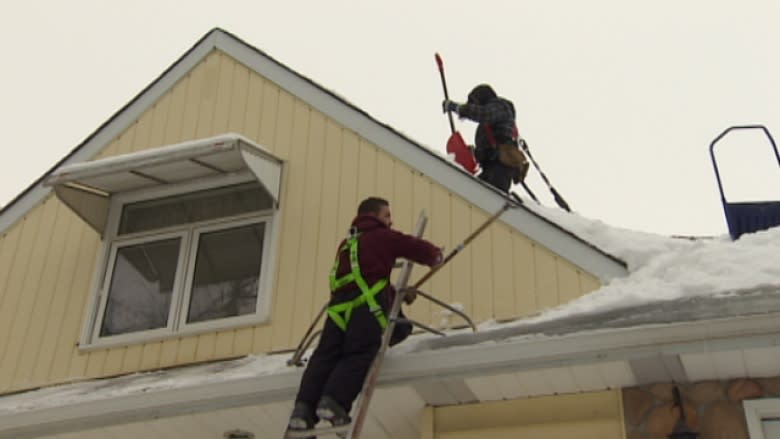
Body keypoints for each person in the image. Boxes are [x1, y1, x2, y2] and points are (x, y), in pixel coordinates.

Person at [288, 196, 443, 435]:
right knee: (359, 352)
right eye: (387, 216)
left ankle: (303, 410)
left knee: (325, 357)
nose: (391, 221)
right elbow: (412, 246)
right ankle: (334, 402)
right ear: (375, 216)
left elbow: (362, 278)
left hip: (338, 310)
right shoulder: (382, 236)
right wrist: (435, 256)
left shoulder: (347, 244)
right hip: (365, 308)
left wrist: (396, 294)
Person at [443, 84, 529, 192]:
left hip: (500, 170)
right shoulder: (487, 126)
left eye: (474, 103)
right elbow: (488, 152)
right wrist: (471, 154)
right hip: (490, 169)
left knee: (490, 198)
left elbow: (483, 113)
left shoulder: (500, 107)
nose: (474, 107)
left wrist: (457, 108)